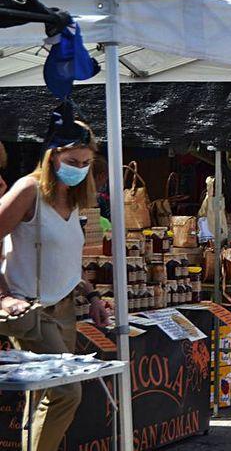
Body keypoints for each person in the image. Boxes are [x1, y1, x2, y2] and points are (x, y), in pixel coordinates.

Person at [0, 115, 110, 451]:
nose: (79, 168)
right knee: (66, 392)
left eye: (86, 163)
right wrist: (3, 296)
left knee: (46, 397)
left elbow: (67, 260)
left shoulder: (74, 200)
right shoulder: (28, 190)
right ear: (52, 156)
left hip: (65, 310)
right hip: (32, 311)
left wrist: (92, 296)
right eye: (72, 161)